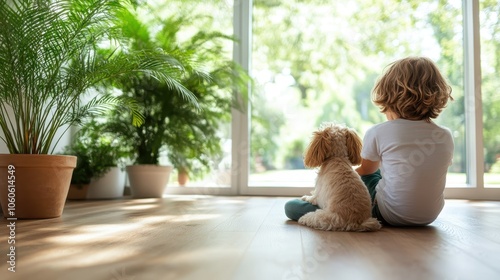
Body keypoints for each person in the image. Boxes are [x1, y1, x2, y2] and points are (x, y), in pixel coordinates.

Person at [285, 56, 454, 226]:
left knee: (292, 207)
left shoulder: (378, 131)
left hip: (388, 213)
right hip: (429, 217)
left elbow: (365, 172)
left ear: (390, 98)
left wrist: (334, 185)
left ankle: (325, 204)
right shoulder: (445, 136)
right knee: (389, 171)